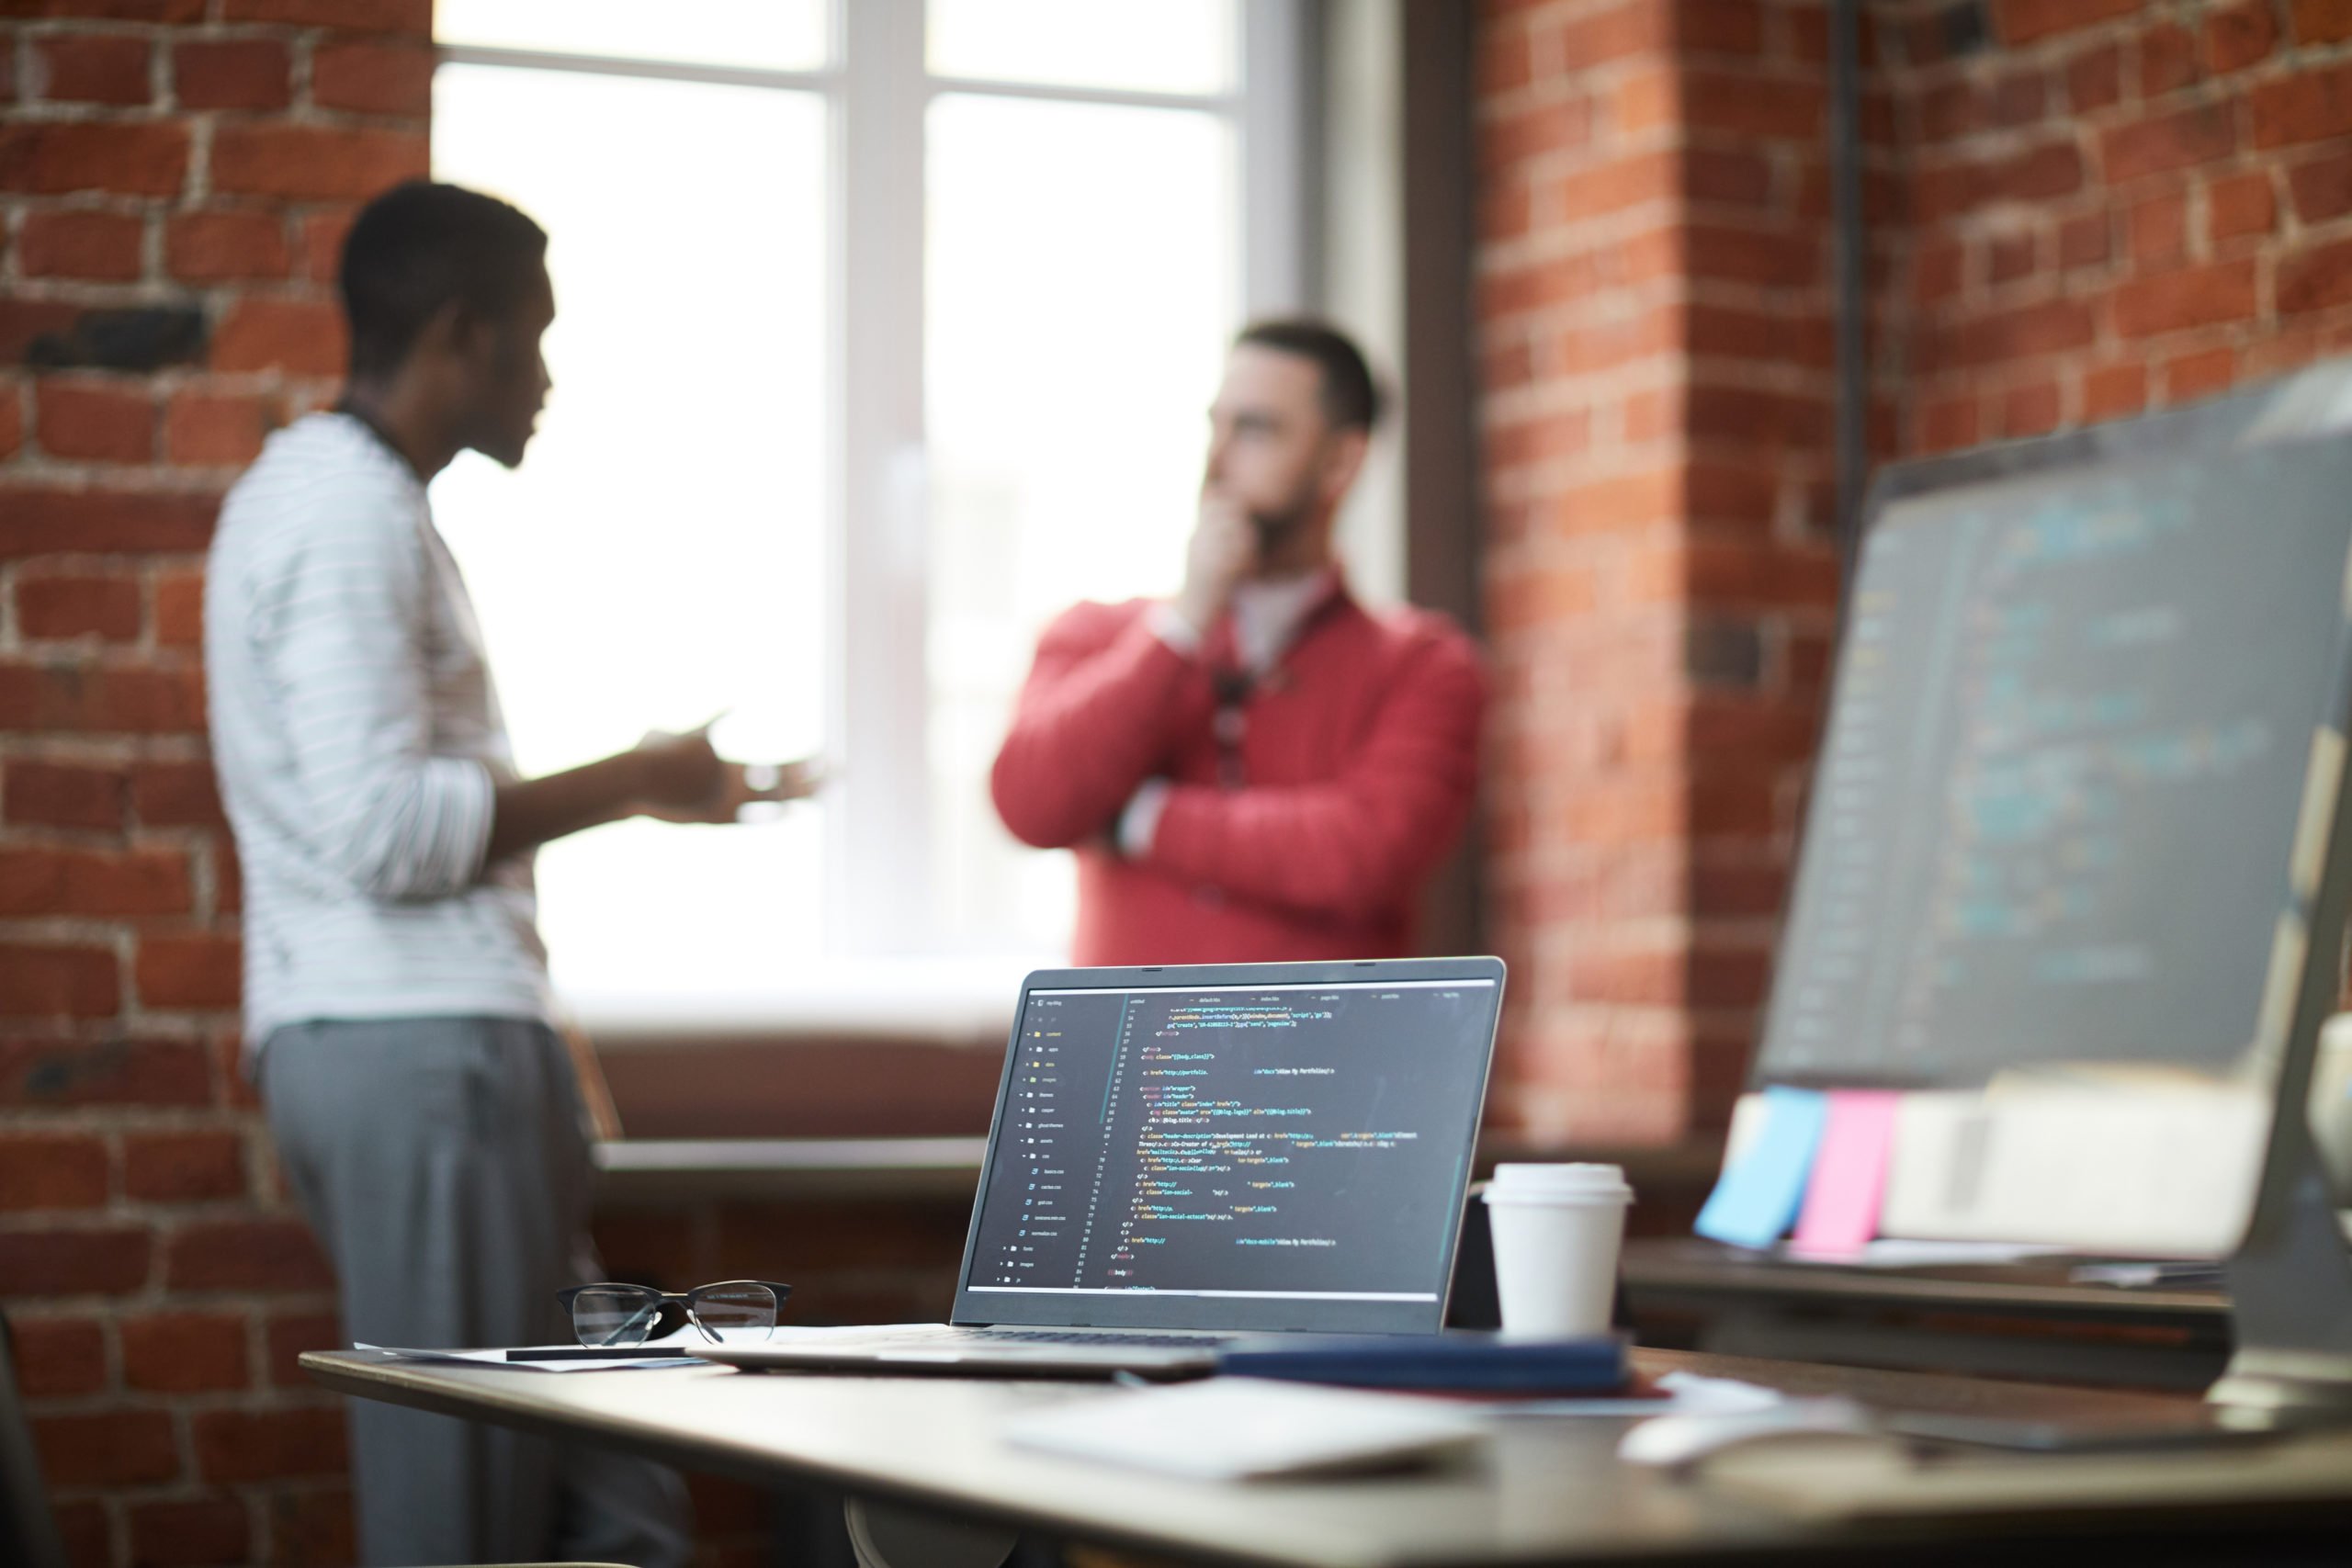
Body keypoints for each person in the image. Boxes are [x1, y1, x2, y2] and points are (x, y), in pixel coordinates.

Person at [204, 182, 810, 1566]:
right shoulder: (341, 514)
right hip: (413, 1051)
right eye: (534, 340)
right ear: (462, 337)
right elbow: (384, 829)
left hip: (451, 1055)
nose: (546, 377)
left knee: (617, 1504)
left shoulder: (369, 507)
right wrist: (638, 780)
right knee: (461, 1516)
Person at [990, 320, 1484, 964]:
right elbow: (1029, 804)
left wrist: (1140, 818)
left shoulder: (1425, 666)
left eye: (1254, 429)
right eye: (1213, 426)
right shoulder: (1097, 637)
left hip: (1322, 1060)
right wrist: (1181, 628)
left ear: (1340, 460)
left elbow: (1363, 854)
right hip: (1140, 1057)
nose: (1215, 460)